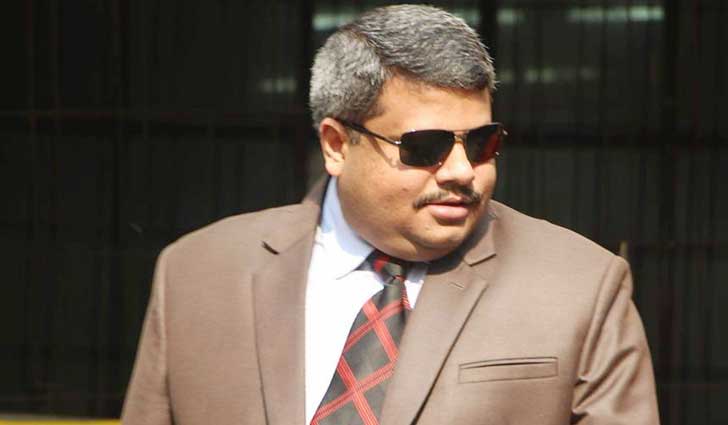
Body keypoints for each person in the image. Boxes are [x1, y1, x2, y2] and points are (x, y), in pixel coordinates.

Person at [121, 4, 660, 425]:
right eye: (425, 147)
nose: (462, 171)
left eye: (482, 143)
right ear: (336, 144)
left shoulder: (581, 286)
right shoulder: (197, 273)